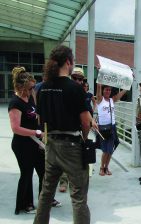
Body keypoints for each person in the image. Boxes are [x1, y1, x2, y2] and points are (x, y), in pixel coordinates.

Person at [33, 45, 97, 224]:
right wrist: (84, 138)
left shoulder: (43, 89)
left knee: (46, 193)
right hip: (71, 146)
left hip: (51, 145)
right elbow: (86, 121)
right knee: (78, 196)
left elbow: (39, 119)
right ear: (68, 62)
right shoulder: (74, 88)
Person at [8, 66, 45, 215]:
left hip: (34, 143)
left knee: (43, 171)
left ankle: (45, 200)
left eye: (32, 87)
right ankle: (25, 204)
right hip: (22, 144)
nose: (32, 90)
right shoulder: (15, 103)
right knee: (27, 173)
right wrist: (35, 132)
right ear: (20, 87)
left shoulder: (30, 97)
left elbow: (35, 114)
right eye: (29, 88)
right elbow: (15, 128)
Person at [58, 67, 86, 193]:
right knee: (64, 162)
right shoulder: (63, 90)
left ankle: (72, 184)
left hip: (76, 133)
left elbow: (86, 114)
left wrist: (91, 123)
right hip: (62, 133)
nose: (77, 81)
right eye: (74, 78)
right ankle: (63, 181)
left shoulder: (82, 93)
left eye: (80, 79)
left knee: (75, 163)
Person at [96, 83, 127, 176]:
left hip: (112, 127)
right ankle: (102, 168)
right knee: (105, 150)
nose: (108, 91)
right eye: (106, 89)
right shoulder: (100, 99)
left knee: (110, 149)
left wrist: (128, 83)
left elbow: (122, 93)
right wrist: (99, 80)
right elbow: (98, 87)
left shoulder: (112, 100)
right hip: (103, 128)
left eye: (109, 90)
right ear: (103, 90)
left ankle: (106, 167)